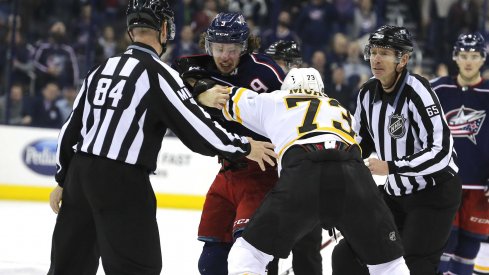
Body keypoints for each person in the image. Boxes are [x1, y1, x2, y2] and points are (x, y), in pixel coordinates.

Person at [47, 2, 276, 274]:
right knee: (138, 268)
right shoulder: (158, 73)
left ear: (131, 31)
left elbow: (70, 129)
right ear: (165, 28)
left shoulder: (101, 69)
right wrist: (244, 145)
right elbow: (197, 130)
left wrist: (63, 180)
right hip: (123, 180)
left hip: (78, 177)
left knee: (68, 266)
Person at [172, 12, 322, 275]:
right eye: (218, 48)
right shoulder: (200, 67)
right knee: (210, 263)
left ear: (244, 47)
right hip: (227, 173)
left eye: (232, 49)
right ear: (209, 46)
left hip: (262, 174)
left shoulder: (265, 72)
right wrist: (202, 89)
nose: (225, 56)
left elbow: (298, 116)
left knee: (254, 255)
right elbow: (177, 71)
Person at [224, 67, 410, 275]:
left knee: (248, 256)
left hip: (304, 173)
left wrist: (201, 85)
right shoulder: (340, 109)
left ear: (288, 88)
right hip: (353, 173)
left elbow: (222, 97)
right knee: (389, 265)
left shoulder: (275, 100)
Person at [332, 25, 462, 275]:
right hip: (395, 194)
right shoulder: (366, 93)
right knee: (346, 255)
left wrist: (391, 167)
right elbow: (358, 142)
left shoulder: (419, 92)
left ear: (403, 59)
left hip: (433, 194)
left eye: (384, 53)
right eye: (373, 52)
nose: (376, 59)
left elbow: (442, 151)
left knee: (412, 265)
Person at [431, 32, 489, 275]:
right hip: (446, 182)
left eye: (474, 56)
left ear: (483, 59)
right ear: (455, 57)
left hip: (481, 186)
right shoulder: (437, 88)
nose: (468, 61)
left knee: (468, 248)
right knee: (443, 243)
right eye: (464, 55)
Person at [264, 39, 325, 275]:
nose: (272, 68)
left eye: (277, 63)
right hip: (272, 180)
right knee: (268, 247)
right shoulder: (266, 94)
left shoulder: (307, 94)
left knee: (306, 248)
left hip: (304, 182)